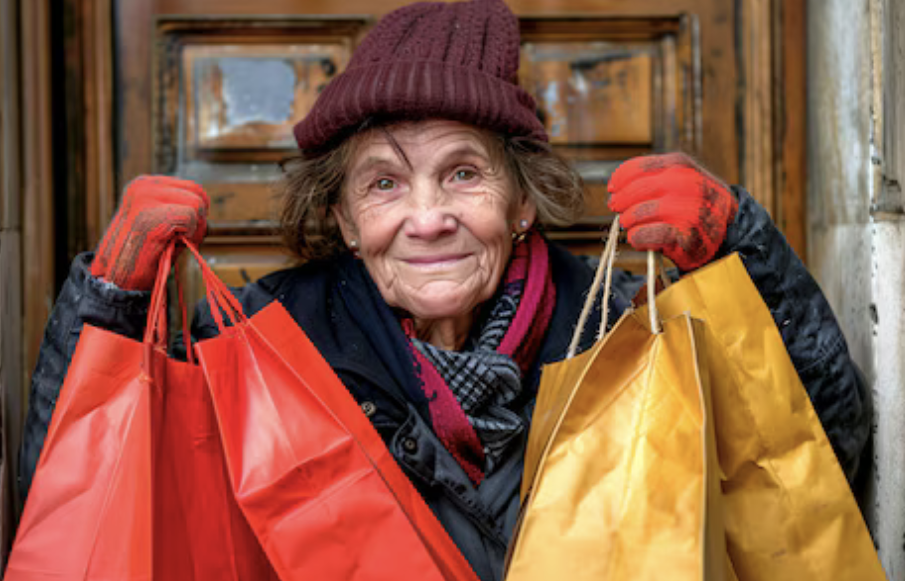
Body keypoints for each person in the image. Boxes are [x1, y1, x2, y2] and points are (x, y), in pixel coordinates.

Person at [19, 0, 870, 579]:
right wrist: (110, 306)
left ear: (523, 200)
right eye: (383, 184)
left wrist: (744, 253)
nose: (426, 220)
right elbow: (84, 500)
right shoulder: (259, 341)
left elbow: (809, 463)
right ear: (344, 218)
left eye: (462, 174)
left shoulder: (624, 328)